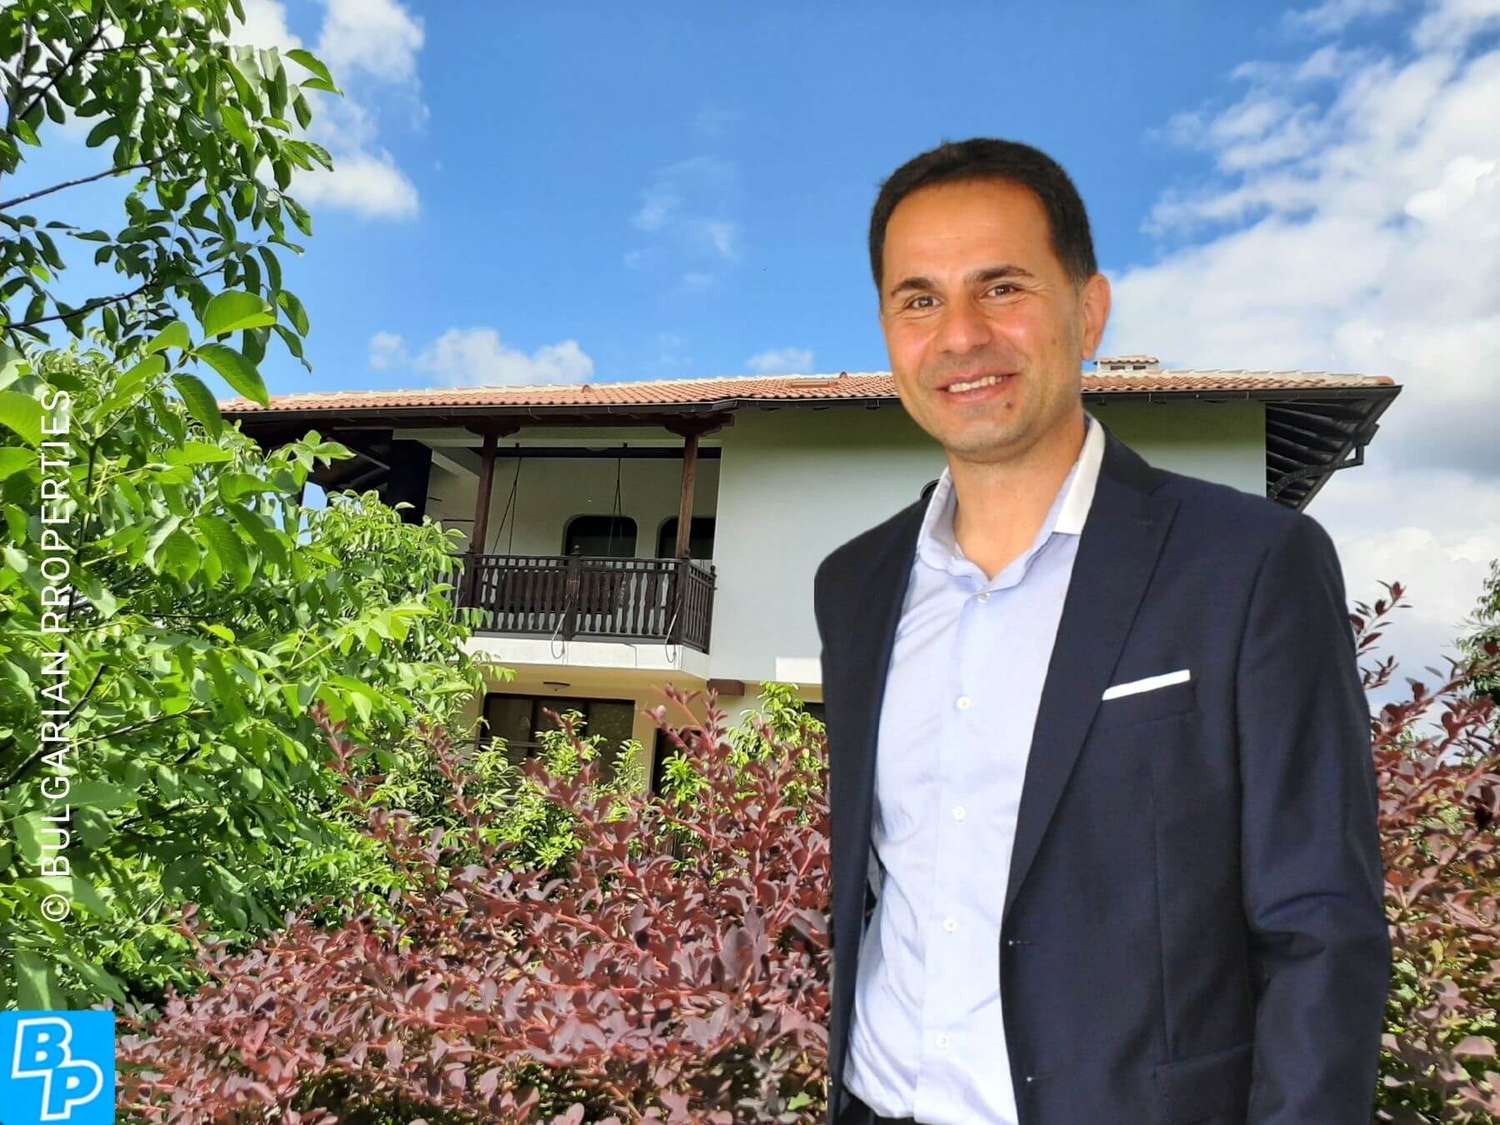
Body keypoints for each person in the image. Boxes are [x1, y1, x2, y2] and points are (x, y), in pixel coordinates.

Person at [812, 138, 1390, 1125]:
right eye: (919, 300)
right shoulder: (855, 583)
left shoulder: (1249, 565)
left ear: (1089, 312)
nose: (960, 335)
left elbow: (1321, 932)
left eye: (1002, 288)